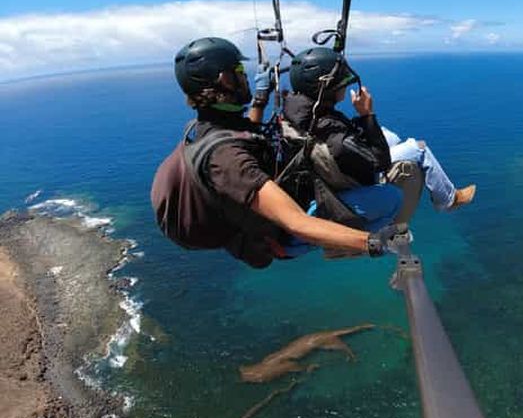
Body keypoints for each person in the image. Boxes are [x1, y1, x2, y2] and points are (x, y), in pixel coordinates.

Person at [153, 36, 401, 268]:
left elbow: (245, 135)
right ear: (223, 79)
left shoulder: (207, 126)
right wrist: (372, 242)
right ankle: (340, 246)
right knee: (392, 197)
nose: (245, 76)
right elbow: (296, 222)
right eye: (238, 70)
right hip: (282, 238)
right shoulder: (226, 160)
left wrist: (260, 100)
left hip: (281, 207)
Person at [283, 47, 476, 214]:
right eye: (340, 83)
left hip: (335, 162)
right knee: (419, 148)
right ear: (325, 88)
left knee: (390, 137)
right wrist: (367, 114)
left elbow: (336, 132)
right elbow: (379, 162)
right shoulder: (332, 132)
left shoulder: (302, 111)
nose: (344, 86)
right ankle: (448, 200)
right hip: (355, 178)